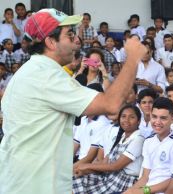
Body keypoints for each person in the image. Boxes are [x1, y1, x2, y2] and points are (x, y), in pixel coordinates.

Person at [0, 8, 146, 194]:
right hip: (35, 185)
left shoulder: (31, 71)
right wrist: (133, 58)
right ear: (51, 42)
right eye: (69, 35)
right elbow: (111, 105)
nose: (77, 40)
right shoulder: (46, 75)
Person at [72, 105, 145, 194]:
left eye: (132, 117)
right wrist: (83, 170)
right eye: (123, 116)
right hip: (111, 177)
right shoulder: (122, 136)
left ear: (139, 121)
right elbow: (105, 162)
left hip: (123, 182)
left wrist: (87, 166)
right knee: (75, 179)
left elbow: (115, 166)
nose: (126, 120)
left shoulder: (138, 139)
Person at [124, 97, 173, 194]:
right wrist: (130, 191)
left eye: (163, 118)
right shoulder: (149, 141)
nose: (157, 122)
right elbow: (145, 177)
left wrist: (145, 191)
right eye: (154, 116)